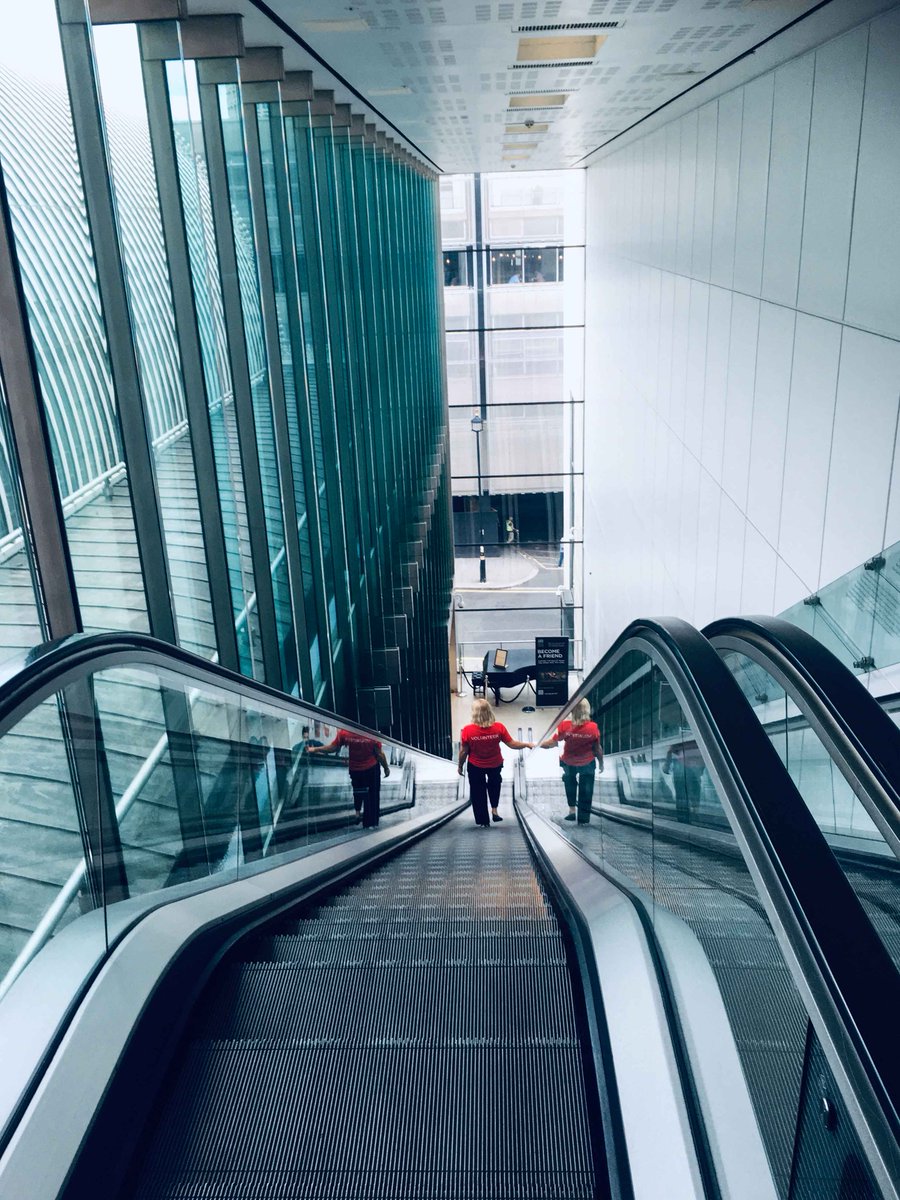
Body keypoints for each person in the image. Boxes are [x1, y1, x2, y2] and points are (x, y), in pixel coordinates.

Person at [458, 698, 532, 827]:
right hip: (495, 763)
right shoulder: (498, 727)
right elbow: (512, 744)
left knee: (477, 792)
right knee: (494, 785)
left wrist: (460, 765)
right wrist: (526, 744)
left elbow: (464, 751)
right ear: (489, 711)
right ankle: (494, 810)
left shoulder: (467, 730)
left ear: (474, 713)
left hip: (475, 765)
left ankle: (483, 821)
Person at [308, 727, 390, 828]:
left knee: (358, 791)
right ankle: (370, 824)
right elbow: (380, 754)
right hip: (371, 768)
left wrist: (315, 749)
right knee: (372, 796)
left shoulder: (345, 732)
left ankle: (357, 812)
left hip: (355, 769)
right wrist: (386, 768)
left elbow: (333, 748)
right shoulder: (372, 733)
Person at [540, 698, 603, 824]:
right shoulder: (593, 727)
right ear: (587, 710)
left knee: (570, 783)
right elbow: (597, 748)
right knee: (587, 788)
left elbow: (553, 743)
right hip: (587, 762)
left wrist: (537, 745)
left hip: (569, 762)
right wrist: (601, 763)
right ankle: (584, 818)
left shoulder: (565, 726)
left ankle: (572, 810)